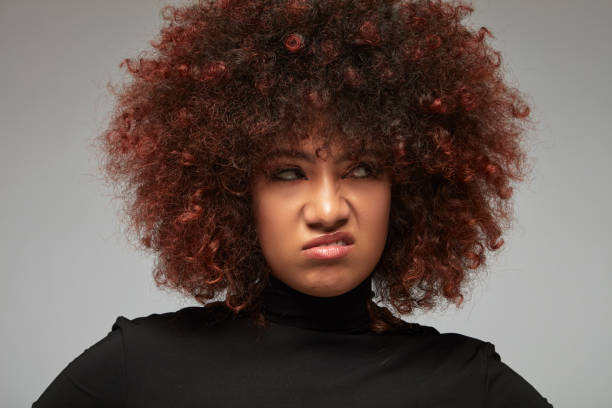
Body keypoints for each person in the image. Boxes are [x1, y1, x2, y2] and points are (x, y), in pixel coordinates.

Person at [32, 0, 553, 406]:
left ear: (413, 185)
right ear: (232, 191)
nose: (328, 209)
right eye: (287, 173)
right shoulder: (136, 369)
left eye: (363, 169)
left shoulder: (467, 386)